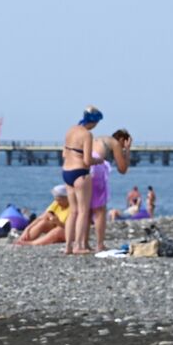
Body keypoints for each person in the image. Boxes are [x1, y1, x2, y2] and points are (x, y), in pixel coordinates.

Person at [60, 106, 105, 255]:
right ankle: (79, 245)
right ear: (93, 122)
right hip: (80, 173)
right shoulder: (87, 135)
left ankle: (68, 246)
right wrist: (98, 161)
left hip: (66, 172)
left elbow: (64, 153)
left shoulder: (70, 130)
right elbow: (87, 160)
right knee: (83, 211)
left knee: (72, 212)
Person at [89, 128, 132, 251]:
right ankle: (100, 244)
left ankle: (82, 243)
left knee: (85, 209)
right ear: (123, 139)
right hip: (96, 168)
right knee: (100, 210)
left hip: (83, 166)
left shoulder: (99, 139)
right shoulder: (115, 142)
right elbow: (123, 169)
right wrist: (127, 151)